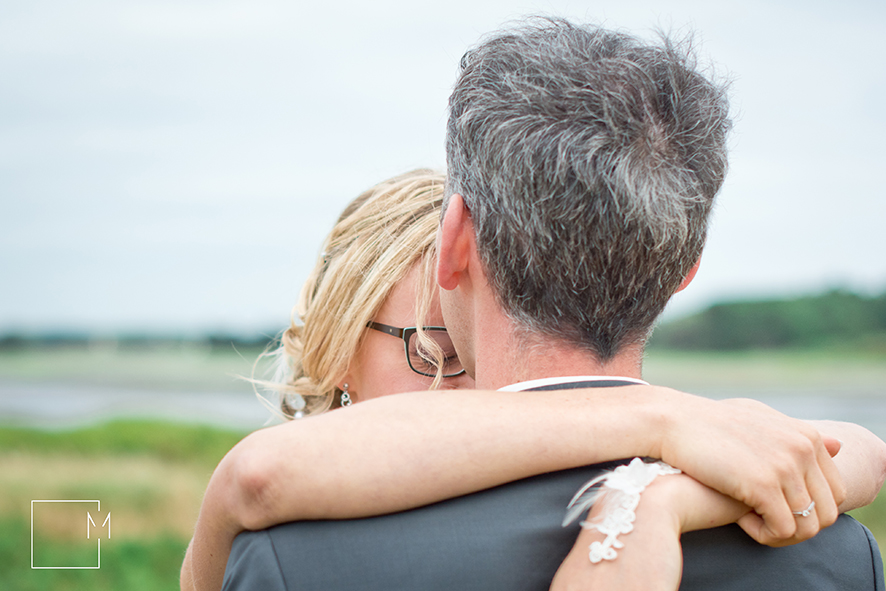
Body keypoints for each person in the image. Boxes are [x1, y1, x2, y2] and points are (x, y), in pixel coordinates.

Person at [198, 20, 885, 591]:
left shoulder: (298, 563)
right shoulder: (838, 557)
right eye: (428, 352)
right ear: (686, 269)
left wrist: (659, 493)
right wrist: (662, 424)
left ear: (455, 244)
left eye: (448, 349)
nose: (461, 394)